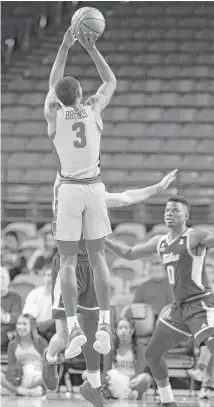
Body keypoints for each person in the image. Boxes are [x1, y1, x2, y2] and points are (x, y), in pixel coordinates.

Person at [42, 171, 177, 406]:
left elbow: (127, 197)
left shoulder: (97, 197)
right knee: (63, 337)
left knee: (94, 334)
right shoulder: (64, 193)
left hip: (93, 269)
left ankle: (92, 386)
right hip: (68, 267)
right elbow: (62, 170)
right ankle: (50, 358)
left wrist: (158, 187)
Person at [44, 24, 118, 359]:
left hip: (70, 190)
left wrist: (64, 46)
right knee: (99, 256)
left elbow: (52, 83)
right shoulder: (93, 109)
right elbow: (110, 81)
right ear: (80, 93)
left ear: (59, 98)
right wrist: (89, 48)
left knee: (69, 262)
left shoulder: (53, 113)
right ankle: (104, 322)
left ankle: (73, 326)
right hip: (94, 188)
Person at [105, 195, 214, 407]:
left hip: (199, 304)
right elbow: (129, 253)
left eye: (174, 210)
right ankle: (167, 401)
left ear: (186, 215)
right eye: (167, 210)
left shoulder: (195, 236)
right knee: (152, 354)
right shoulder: (160, 242)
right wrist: (103, 241)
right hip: (178, 308)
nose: (169, 214)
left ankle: (207, 383)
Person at [103, 317, 153, 400]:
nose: (123, 330)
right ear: (116, 331)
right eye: (120, 328)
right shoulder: (109, 348)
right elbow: (106, 371)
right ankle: (129, 395)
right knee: (90, 376)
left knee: (146, 378)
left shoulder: (141, 349)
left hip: (131, 383)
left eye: (126, 328)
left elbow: (140, 371)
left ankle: (125, 394)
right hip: (114, 382)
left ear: (132, 330)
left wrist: (126, 382)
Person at [1, 314, 47, 397]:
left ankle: (24, 391)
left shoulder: (41, 342)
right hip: (20, 377)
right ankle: (21, 391)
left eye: (24, 324)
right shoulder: (12, 344)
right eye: (19, 324)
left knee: (30, 369)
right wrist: (14, 379)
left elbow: (48, 368)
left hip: (37, 379)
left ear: (32, 326)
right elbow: (11, 366)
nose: (20, 327)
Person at [1, 266, 22, 353]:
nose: (0, 280)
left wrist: (4, 317)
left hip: (6, 331)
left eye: (2, 277)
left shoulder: (14, 296)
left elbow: (17, 316)